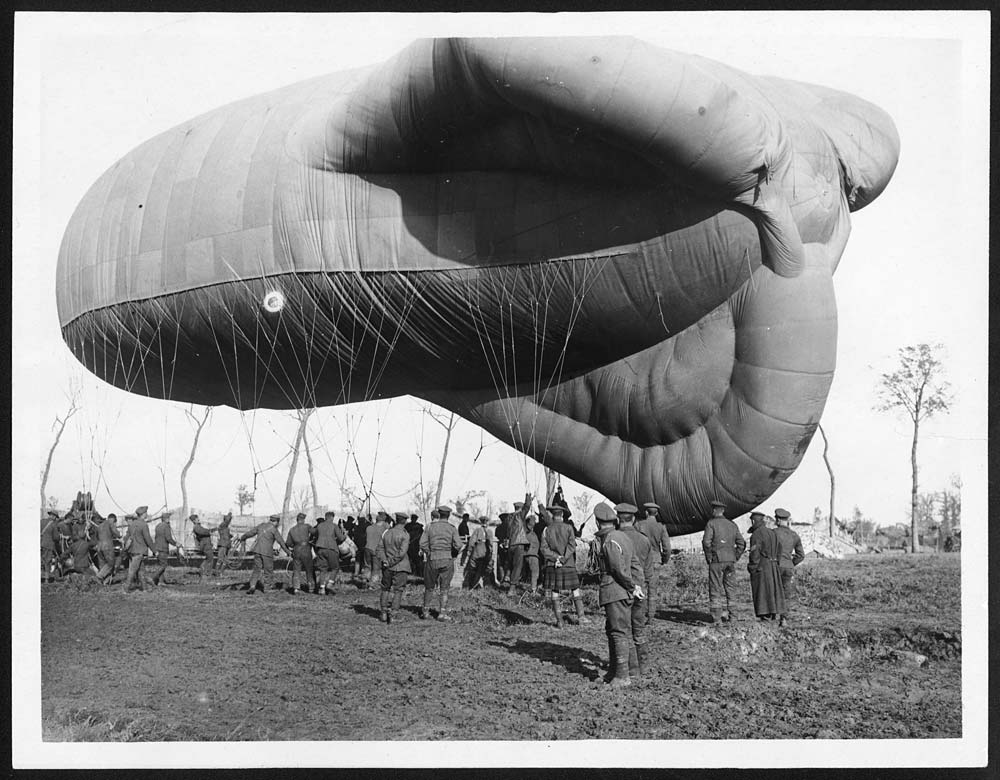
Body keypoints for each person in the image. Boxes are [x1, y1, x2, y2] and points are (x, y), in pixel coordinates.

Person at [593, 502, 643, 688]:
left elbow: (617, 569)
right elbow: (635, 564)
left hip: (615, 591)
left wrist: (631, 586)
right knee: (620, 630)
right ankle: (627, 670)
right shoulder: (623, 537)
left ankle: (622, 677)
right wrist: (637, 586)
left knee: (617, 632)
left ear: (598, 523)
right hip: (625, 591)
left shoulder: (610, 541)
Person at [615, 503, 653, 678]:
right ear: (634, 519)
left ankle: (632, 669)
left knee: (624, 630)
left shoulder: (614, 538)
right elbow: (648, 570)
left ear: (618, 519)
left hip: (620, 590)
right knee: (639, 629)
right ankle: (644, 667)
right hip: (640, 589)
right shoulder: (644, 539)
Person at [540, 504, 590, 627]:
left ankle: (559, 621)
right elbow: (572, 546)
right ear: (562, 515)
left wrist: (555, 558)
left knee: (555, 591)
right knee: (575, 589)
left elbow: (544, 549)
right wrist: (563, 558)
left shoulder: (546, 530)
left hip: (552, 565)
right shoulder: (569, 528)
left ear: (552, 515)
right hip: (568, 564)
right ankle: (582, 618)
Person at [701, 499, 746, 623]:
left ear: (715, 510)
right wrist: (735, 556)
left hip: (716, 560)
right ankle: (733, 617)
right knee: (731, 588)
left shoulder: (711, 523)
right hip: (730, 561)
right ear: (723, 511)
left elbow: (706, 542)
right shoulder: (732, 525)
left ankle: (717, 618)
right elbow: (741, 543)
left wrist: (709, 556)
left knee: (715, 587)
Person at [419, 505, 462, 620]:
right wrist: (452, 553)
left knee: (429, 587)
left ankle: (425, 611)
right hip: (447, 559)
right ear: (448, 515)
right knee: (444, 588)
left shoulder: (429, 527)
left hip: (432, 559)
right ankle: (442, 613)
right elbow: (459, 545)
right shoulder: (452, 528)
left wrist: (429, 553)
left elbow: (422, 544)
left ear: (439, 514)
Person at [636, 502, 672, 625]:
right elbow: (667, 547)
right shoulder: (661, 527)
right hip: (655, 560)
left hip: (641, 560)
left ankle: (638, 615)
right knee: (652, 589)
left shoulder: (639, 525)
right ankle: (651, 617)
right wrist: (664, 560)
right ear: (656, 513)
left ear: (646, 512)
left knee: (639, 587)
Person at [746, 512, 785, 621]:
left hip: (762, 566)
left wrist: (752, 567)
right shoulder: (772, 533)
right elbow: (780, 549)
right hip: (773, 566)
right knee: (772, 591)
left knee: (762, 591)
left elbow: (754, 553)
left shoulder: (756, 534)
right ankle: (772, 614)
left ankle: (765, 615)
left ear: (753, 521)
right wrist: (776, 561)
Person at [240, 514, 291, 594]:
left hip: (257, 551)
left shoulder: (261, 526)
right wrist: (288, 552)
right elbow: (281, 542)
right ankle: (267, 588)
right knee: (268, 570)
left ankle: (252, 586)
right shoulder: (274, 529)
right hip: (267, 553)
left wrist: (243, 537)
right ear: (277, 522)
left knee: (257, 569)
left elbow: (250, 533)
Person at [773, 508, 805, 622]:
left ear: (778, 520)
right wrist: (791, 563)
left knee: (773, 591)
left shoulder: (773, 533)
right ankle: (784, 619)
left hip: (775, 567)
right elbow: (801, 555)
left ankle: (772, 617)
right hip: (788, 568)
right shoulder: (794, 535)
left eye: (776, 519)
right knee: (786, 593)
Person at [379, 512, 412, 624]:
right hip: (400, 567)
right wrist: (390, 562)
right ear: (405, 521)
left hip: (387, 567)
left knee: (385, 589)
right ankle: (393, 615)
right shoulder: (405, 535)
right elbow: (402, 553)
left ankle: (383, 613)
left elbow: (379, 548)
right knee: (398, 590)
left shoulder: (386, 533)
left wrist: (385, 561)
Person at [121, 506, 156, 593]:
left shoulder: (132, 524)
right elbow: (148, 539)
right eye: (146, 513)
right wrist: (155, 550)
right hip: (139, 551)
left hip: (132, 551)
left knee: (141, 570)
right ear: (143, 514)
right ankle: (125, 589)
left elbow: (126, 537)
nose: (147, 514)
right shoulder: (143, 525)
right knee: (132, 571)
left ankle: (144, 589)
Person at [312, 511, 346, 593]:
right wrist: (344, 534)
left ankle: (322, 588)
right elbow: (341, 538)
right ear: (332, 517)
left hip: (320, 549)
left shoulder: (319, 526)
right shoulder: (334, 526)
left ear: (325, 517)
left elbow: (315, 535)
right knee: (335, 567)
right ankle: (330, 583)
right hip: (331, 549)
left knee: (323, 569)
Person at [286, 512, 316, 594]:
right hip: (306, 549)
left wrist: (295, 546)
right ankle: (311, 587)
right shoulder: (307, 526)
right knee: (309, 569)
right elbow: (315, 532)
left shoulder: (292, 529)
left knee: (296, 569)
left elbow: (288, 543)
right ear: (303, 519)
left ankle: (296, 588)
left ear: (297, 520)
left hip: (296, 550)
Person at [151, 512, 183, 586]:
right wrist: (176, 544)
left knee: (161, 564)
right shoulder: (166, 526)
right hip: (163, 548)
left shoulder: (158, 526)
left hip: (157, 548)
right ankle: (153, 578)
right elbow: (168, 538)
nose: (169, 520)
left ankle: (160, 582)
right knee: (164, 565)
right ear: (167, 519)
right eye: (169, 518)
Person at [505, 502, 531, 592]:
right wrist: (528, 495)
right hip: (519, 543)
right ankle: (511, 589)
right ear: (521, 508)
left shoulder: (509, 517)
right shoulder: (520, 515)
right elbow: (527, 506)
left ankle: (507, 576)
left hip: (511, 544)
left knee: (511, 563)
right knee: (518, 566)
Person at [363, 512, 389, 588]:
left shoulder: (369, 527)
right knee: (376, 569)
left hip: (367, 548)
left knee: (367, 566)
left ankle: (364, 581)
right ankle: (372, 585)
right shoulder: (385, 528)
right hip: (376, 550)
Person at [464, 516, 491, 589]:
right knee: (484, 569)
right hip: (485, 552)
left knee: (473, 568)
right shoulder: (489, 531)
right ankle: (481, 585)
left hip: (478, 551)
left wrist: (469, 550)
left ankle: (472, 585)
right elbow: (491, 544)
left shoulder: (477, 530)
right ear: (487, 523)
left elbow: (472, 541)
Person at [94, 512, 122, 584]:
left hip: (99, 547)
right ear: (114, 519)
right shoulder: (110, 523)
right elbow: (116, 533)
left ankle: (105, 582)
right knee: (111, 563)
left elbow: (96, 536)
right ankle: (99, 576)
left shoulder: (100, 525)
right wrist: (119, 535)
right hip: (107, 546)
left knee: (103, 565)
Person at [190, 515, 215, 579]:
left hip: (206, 544)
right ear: (193, 521)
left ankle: (206, 572)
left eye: (197, 518)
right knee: (210, 558)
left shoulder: (198, 526)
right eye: (196, 519)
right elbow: (203, 532)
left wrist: (213, 529)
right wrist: (210, 531)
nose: (198, 519)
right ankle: (204, 571)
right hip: (205, 545)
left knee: (209, 558)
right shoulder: (196, 527)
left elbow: (205, 530)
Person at [41, 511, 62, 582]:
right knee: (47, 561)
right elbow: (56, 537)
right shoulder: (53, 525)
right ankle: (47, 579)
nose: (56, 519)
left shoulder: (42, 521)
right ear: (54, 516)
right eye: (56, 517)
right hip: (48, 545)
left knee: (42, 560)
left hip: (40, 543)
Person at [523, 515, 541, 594]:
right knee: (535, 573)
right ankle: (533, 590)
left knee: (533, 573)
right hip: (532, 556)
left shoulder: (531, 533)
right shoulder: (528, 534)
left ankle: (532, 588)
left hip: (530, 555)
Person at [404, 513, 424, 578]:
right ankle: (419, 574)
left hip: (410, 546)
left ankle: (412, 573)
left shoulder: (407, 526)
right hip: (415, 546)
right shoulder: (419, 527)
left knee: (411, 560)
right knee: (417, 560)